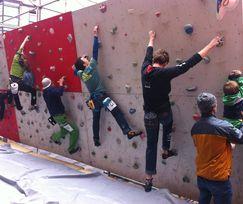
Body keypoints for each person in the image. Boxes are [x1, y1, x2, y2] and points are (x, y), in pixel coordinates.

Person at [142, 30, 221, 192]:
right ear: (165, 63)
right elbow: (190, 62)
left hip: (149, 114)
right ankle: (165, 149)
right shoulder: (165, 73)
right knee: (168, 123)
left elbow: (148, 51)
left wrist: (151, 38)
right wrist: (212, 44)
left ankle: (148, 180)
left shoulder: (145, 69)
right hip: (163, 111)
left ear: (155, 61)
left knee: (151, 145)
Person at [72, 25, 142, 147]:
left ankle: (96, 139)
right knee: (116, 111)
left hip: (94, 100)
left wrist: (77, 65)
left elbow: (74, 69)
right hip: (102, 97)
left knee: (96, 119)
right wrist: (95, 35)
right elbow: (95, 51)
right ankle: (127, 131)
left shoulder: (81, 74)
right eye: (84, 59)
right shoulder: (91, 67)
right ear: (85, 64)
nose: (86, 58)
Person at [191, 92, 243, 204]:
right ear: (214, 108)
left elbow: (206, 147)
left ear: (200, 108)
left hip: (202, 176)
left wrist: (228, 146)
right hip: (218, 179)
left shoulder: (195, 128)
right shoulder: (223, 126)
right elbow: (241, 138)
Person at [42, 76, 80, 154]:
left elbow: (54, 92)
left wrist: (60, 85)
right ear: (50, 83)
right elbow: (59, 93)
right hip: (60, 116)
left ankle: (54, 138)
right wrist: (61, 83)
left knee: (64, 129)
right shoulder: (50, 90)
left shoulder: (45, 92)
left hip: (56, 116)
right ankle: (71, 149)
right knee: (74, 131)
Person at [9, 35, 38, 114]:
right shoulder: (25, 66)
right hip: (19, 83)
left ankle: (20, 109)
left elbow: (21, 47)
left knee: (16, 96)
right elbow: (28, 69)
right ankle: (33, 104)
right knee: (33, 91)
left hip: (12, 81)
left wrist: (25, 39)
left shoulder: (15, 59)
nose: (22, 52)